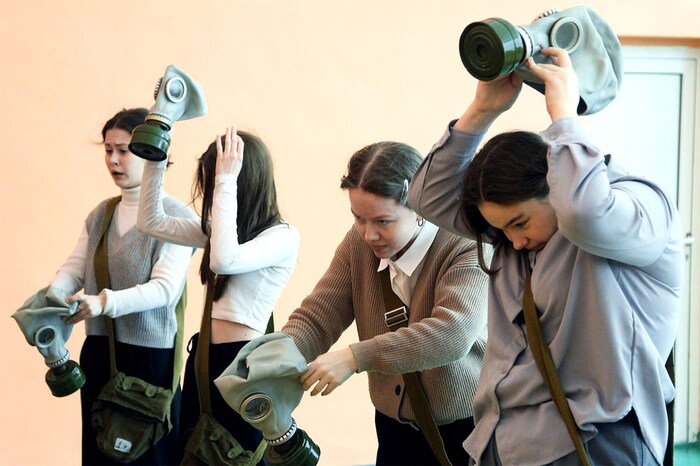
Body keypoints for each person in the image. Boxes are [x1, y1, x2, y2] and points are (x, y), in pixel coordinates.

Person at [408, 47, 683, 465]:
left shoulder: (636, 210)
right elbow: (427, 197)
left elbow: (584, 213)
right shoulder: (524, 233)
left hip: (592, 440)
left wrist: (565, 116)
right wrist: (483, 109)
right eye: (502, 229)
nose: (513, 242)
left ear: (554, 185)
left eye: (519, 223)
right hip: (501, 441)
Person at [281, 141, 489, 465]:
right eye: (358, 218)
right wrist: (280, 354)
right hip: (393, 428)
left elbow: (453, 333)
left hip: (467, 430)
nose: (368, 234)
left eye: (382, 221)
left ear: (419, 207)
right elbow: (320, 314)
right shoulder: (358, 243)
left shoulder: (466, 243)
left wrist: (355, 357)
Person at [137, 127, 300, 460]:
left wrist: (226, 180)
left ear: (243, 182)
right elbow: (151, 221)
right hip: (203, 360)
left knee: (235, 456)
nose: (213, 192)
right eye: (212, 182)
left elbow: (225, 260)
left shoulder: (283, 236)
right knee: (192, 455)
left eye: (218, 182)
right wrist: (156, 155)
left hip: (243, 368)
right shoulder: (221, 235)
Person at [48, 108, 195, 465]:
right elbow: (74, 268)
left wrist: (103, 303)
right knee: (99, 455)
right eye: (108, 150)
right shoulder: (101, 214)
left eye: (123, 150)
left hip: (150, 360)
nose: (113, 160)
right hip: (101, 353)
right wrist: (52, 297)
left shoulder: (177, 218)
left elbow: (165, 289)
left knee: (150, 457)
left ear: (150, 152)